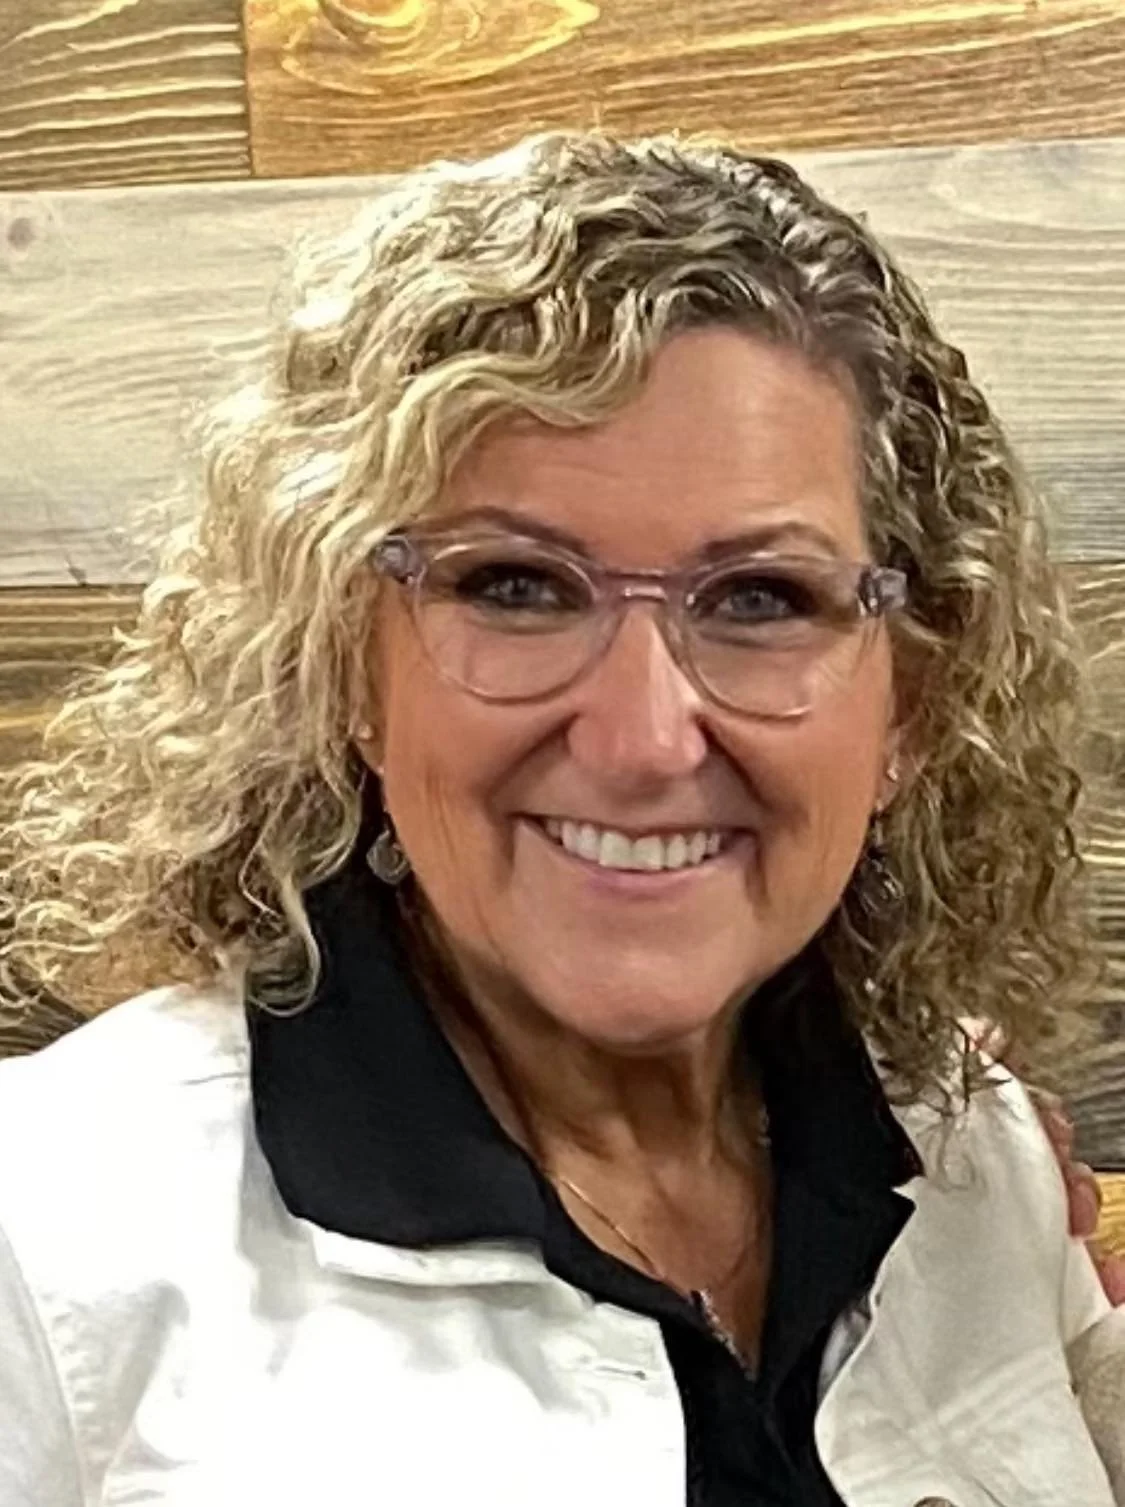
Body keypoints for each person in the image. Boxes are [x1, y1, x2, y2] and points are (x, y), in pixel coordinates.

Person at [0, 130, 1122, 1507]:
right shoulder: (48, 1232)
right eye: (519, 587)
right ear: (349, 662)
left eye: (761, 598)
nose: (644, 740)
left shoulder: (975, 1153)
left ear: (909, 707)